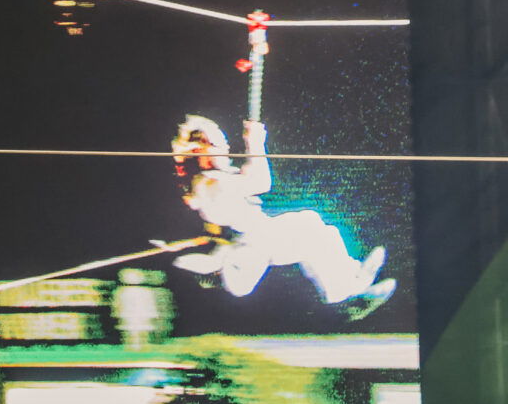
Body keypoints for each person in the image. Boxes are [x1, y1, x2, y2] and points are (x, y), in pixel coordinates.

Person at [169, 116, 396, 320]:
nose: (227, 148)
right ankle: (347, 290)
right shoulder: (209, 183)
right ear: (200, 152)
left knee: (317, 228)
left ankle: (353, 283)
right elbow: (260, 182)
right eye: (218, 144)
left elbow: (248, 181)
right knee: (311, 228)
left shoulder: (214, 179)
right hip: (248, 248)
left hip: (257, 241)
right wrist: (255, 143)